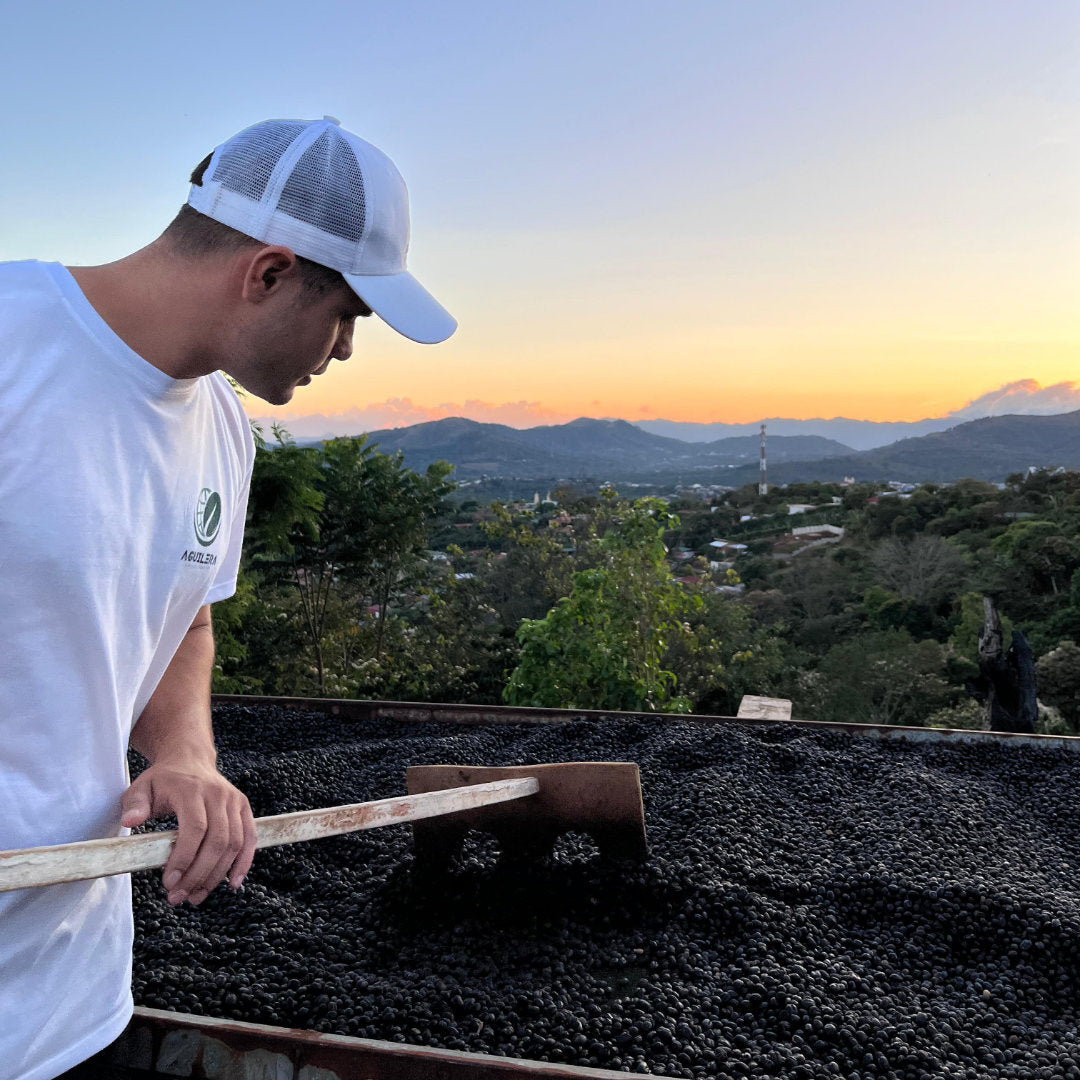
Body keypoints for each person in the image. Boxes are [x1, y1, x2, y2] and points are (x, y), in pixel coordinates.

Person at [0, 116, 456, 1080]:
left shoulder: (221, 433)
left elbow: (185, 614)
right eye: (348, 317)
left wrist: (186, 757)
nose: (342, 353)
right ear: (269, 272)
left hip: (70, 1003)